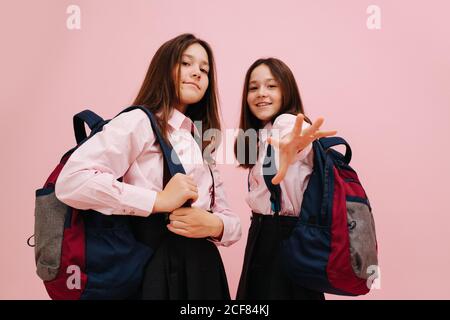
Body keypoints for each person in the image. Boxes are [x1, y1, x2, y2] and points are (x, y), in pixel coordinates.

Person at [55, 33, 241, 299]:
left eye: (204, 69)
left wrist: (215, 226)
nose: (197, 73)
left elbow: (232, 221)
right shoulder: (139, 122)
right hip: (155, 267)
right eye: (186, 63)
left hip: (204, 271)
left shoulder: (199, 139)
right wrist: (158, 200)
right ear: (164, 68)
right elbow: (72, 182)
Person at [235, 58, 336, 299]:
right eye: (253, 87)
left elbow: (296, 141)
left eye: (271, 86)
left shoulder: (286, 122)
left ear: (286, 91)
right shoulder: (263, 133)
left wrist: (297, 146)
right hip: (265, 237)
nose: (261, 94)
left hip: (281, 239)